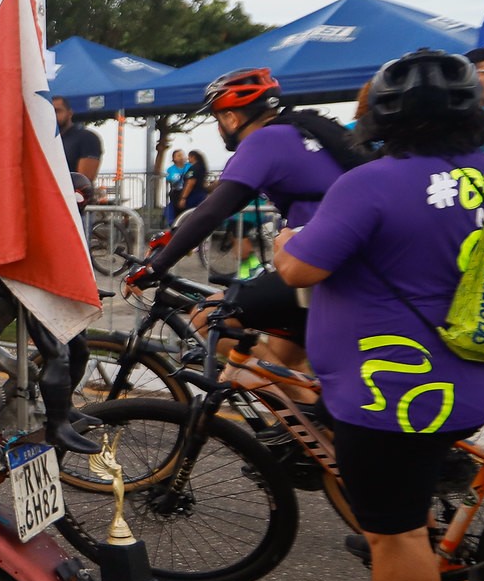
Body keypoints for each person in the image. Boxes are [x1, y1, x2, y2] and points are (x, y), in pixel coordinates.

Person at [272, 50, 484, 581]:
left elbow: (302, 268)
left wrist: (283, 242)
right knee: (408, 514)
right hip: (471, 379)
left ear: (383, 116)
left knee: (393, 534)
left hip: (390, 390)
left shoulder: (371, 184)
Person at [131, 68, 368, 373]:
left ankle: (315, 413)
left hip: (322, 268)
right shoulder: (299, 131)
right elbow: (221, 207)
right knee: (288, 357)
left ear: (231, 118)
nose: (220, 128)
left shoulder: (264, 141)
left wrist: (155, 267)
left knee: (206, 316)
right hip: (344, 263)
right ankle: (300, 418)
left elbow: (211, 211)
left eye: (218, 120)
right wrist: (170, 239)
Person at [54, 98, 103, 204]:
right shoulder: (48, 141)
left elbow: (83, 181)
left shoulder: (87, 137)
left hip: (75, 204)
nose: (53, 115)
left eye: (57, 110)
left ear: (70, 113)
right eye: (50, 111)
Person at [161, 149, 189, 225]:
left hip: (189, 191)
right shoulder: (171, 169)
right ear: (174, 159)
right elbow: (170, 178)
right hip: (177, 192)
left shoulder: (189, 166)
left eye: (182, 155)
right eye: (179, 155)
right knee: (176, 208)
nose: (181, 157)